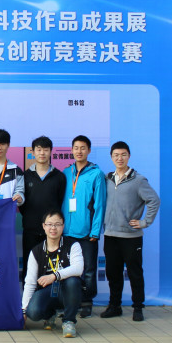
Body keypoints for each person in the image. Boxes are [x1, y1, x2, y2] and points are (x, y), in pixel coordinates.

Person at [100, 141, 160, 322]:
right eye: (116, 155)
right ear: (111, 157)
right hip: (111, 235)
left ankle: (138, 307)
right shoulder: (107, 179)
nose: (120, 158)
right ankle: (115, 306)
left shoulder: (138, 180)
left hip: (131, 237)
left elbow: (154, 200)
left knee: (134, 272)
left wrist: (145, 222)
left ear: (129, 156)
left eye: (123, 154)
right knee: (113, 273)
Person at [61, 135, 106, 318]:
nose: (79, 151)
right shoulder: (66, 172)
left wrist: (95, 231)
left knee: (88, 269)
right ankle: (71, 302)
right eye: (76, 148)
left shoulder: (96, 174)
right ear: (71, 150)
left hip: (87, 232)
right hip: (67, 231)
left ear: (89, 150)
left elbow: (100, 204)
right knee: (68, 269)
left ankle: (87, 302)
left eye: (83, 148)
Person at [23, 210, 83, 338]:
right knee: (32, 312)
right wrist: (23, 311)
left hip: (66, 291)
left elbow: (78, 268)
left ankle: (69, 321)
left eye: (57, 224)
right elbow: (30, 282)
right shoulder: (36, 251)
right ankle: (49, 315)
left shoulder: (73, 245)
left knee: (73, 281)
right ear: (43, 226)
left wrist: (54, 276)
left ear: (63, 226)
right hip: (47, 292)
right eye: (49, 224)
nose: (53, 228)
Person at [19, 136, 66, 283]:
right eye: (38, 150)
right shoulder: (25, 176)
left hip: (52, 231)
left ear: (51, 151)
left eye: (45, 150)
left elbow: (60, 202)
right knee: (30, 266)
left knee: (51, 267)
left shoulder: (59, 177)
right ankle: (29, 296)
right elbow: (22, 205)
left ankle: (50, 296)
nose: (42, 153)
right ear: (33, 152)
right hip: (31, 229)